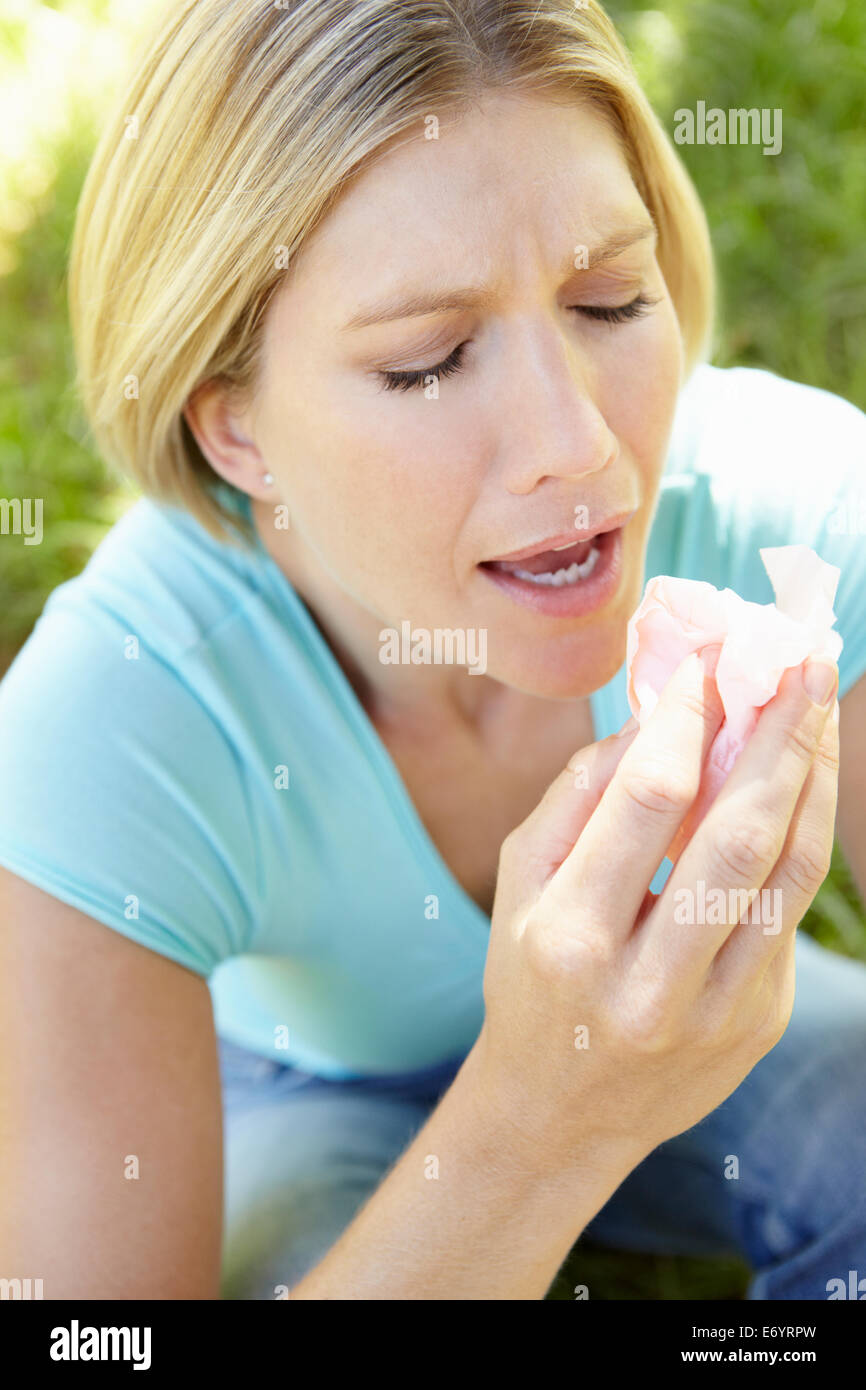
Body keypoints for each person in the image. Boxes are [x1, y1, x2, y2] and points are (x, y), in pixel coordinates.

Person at [1, 0, 864, 1301]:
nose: (577, 442)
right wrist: (533, 1126)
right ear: (235, 430)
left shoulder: (788, 510)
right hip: (302, 1089)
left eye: (608, 298)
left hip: (701, 1029)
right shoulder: (109, 724)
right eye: (426, 361)